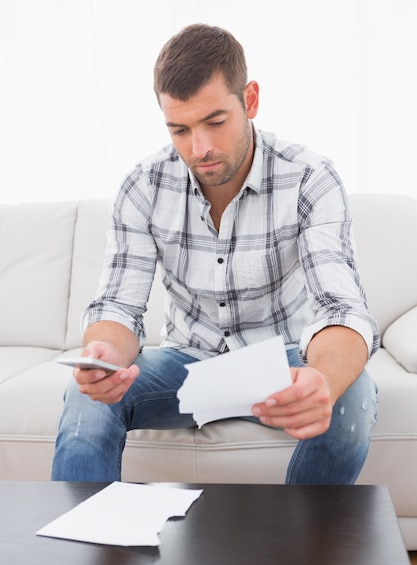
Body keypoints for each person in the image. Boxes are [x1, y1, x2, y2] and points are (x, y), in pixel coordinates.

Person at [52, 23, 379, 484]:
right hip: (186, 362)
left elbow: (340, 306)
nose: (199, 148)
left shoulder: (310, 178)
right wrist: (104, 354)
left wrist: (321, 380)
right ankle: (85, 548)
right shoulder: (143, 186)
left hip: (280, 361)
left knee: (353, 395)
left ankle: (299, 554)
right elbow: (119, 307)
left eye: (215, 122)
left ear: (249, 100)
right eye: (179, 130)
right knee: (86, 396)